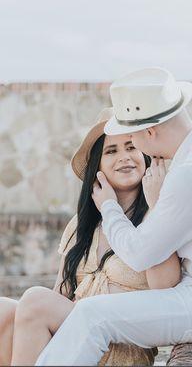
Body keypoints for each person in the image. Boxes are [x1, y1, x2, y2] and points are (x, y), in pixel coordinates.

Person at [34, 66, 192, 366]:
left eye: (132, 140)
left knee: (93, 316)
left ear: (150, 131)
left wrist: (109, 207)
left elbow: (140, 254)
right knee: (91, 314)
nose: (133, 151)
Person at [4, 107, 181, 366]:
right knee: (4, 311)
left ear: (145, 155)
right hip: (75, 336)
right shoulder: (82, 226)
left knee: (33, 300)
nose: (124, 157)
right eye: (112, 151)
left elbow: (166, 288)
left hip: (120, 343)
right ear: (97, 166)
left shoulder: (155, 217)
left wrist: (157, 208)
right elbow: (59, 296)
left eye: (131, 147)